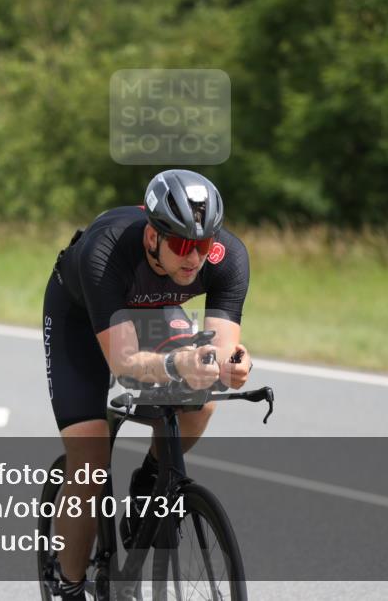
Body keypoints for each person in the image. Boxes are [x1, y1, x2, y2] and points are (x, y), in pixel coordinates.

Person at [42, 169, 252, 599]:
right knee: (90, 459)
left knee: (202, 402)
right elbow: (124, 363)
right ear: (152, 237)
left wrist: (233, 364)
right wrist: (178, 363)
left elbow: (222, 349)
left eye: (203, 244)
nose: (195, 258)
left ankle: (150, 483)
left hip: (153, 310)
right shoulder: (107, 250)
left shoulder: (227, 257)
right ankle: (70, 584)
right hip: (79, 316)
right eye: (183, 245)